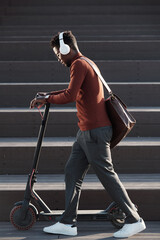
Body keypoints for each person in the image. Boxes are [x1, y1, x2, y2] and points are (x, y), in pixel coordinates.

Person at [30, 31, 146, 238]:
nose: (58, 57)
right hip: (85, 133)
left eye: (58, 53)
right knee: (72, 172)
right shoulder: (85, 63)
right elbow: (71, 91)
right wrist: (47, 96)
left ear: (66, 49)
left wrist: (47, 99)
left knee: (107, 176)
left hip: (95, 133)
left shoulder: (79, 65)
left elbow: (70, 95)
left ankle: (134, 219)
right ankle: (68, 223)